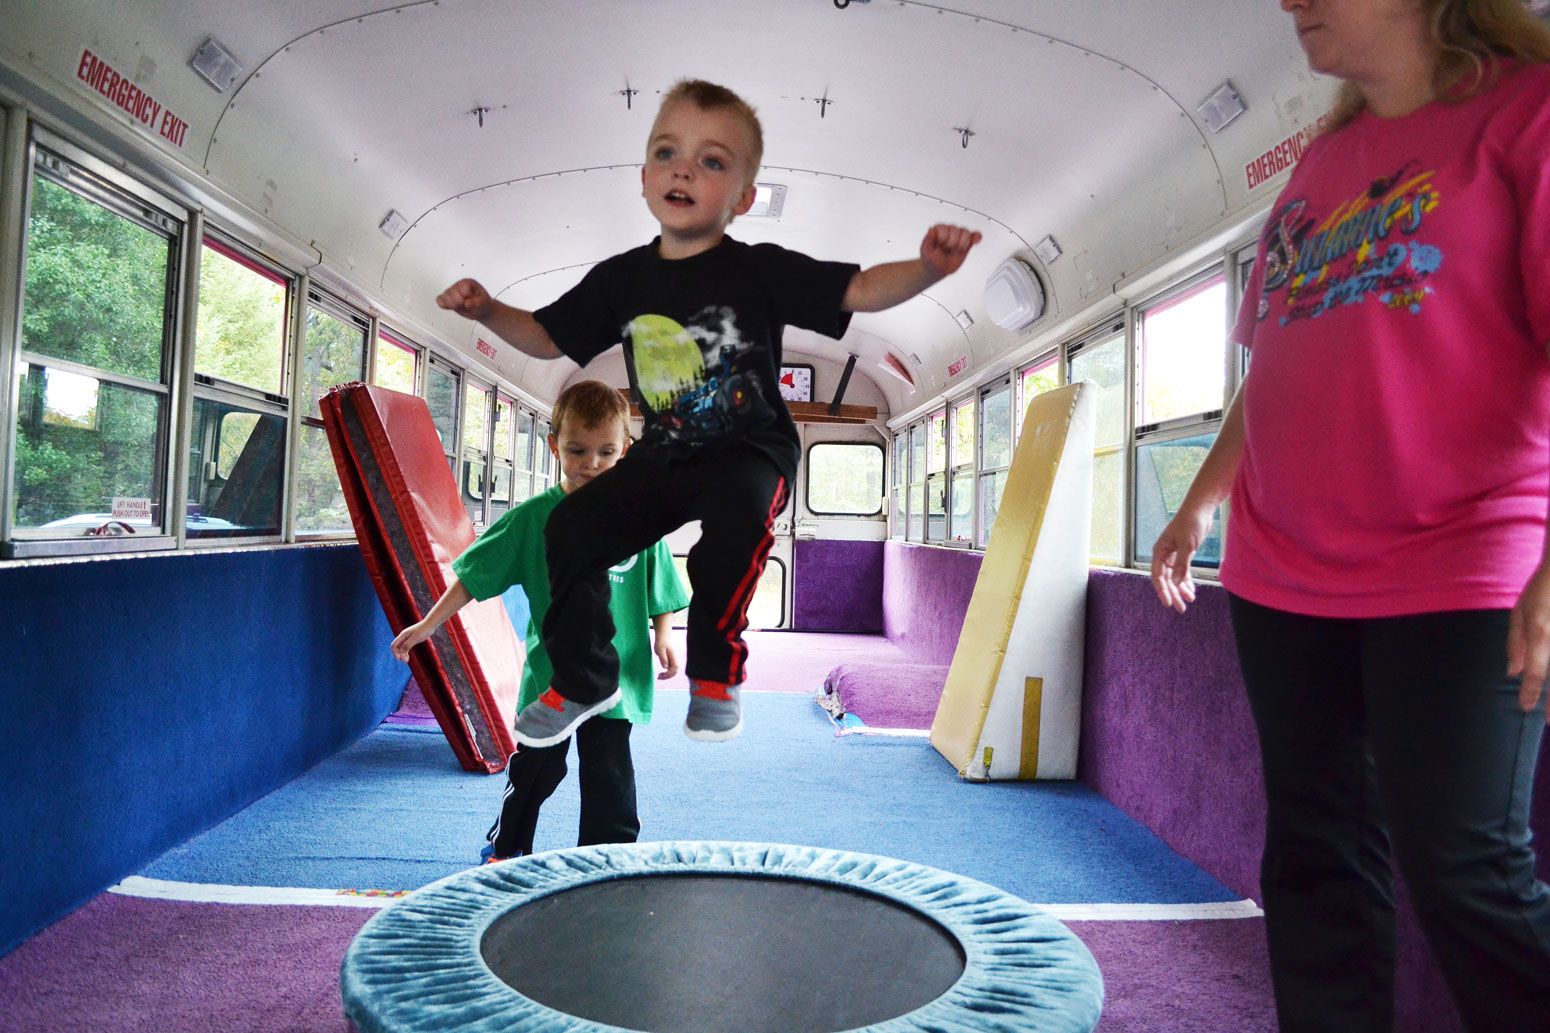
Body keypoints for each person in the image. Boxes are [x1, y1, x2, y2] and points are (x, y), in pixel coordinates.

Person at [1150, 1, 1550, 1029]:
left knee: (1464, 869)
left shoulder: (1524, 116)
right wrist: (1199, 501)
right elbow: (1278, 349)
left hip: (1461, 557)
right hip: (1282, 571)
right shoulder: (1322, 162)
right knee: (1313, 860)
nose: (1288, 0)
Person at [437, 78, 981, 747]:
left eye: (713, 160)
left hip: (752, 449)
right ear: (644, 179)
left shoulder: (761, 270)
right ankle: (584, 677)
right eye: (668, 152)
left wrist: (928, 268)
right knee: (571, 528)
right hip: (667, 451)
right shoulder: (620, 280)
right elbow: (549, 336)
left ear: (744, 198)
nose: (685, 168)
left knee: (733, 523)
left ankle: (716, 675)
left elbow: (861, 288)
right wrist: (487, 309)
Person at [391, 380, 688, 862]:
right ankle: (507, 846)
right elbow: (473, 576)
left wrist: (665, 635)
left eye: (605, 452)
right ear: (554, 446)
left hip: (617, 680)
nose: (591, 463)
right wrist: (428, 624)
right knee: (538, 769)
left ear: (625, 451)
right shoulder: (532, 520)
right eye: (577, 450)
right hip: (554, 676)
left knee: (610, 776)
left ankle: (604, 859)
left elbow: (662, 587)